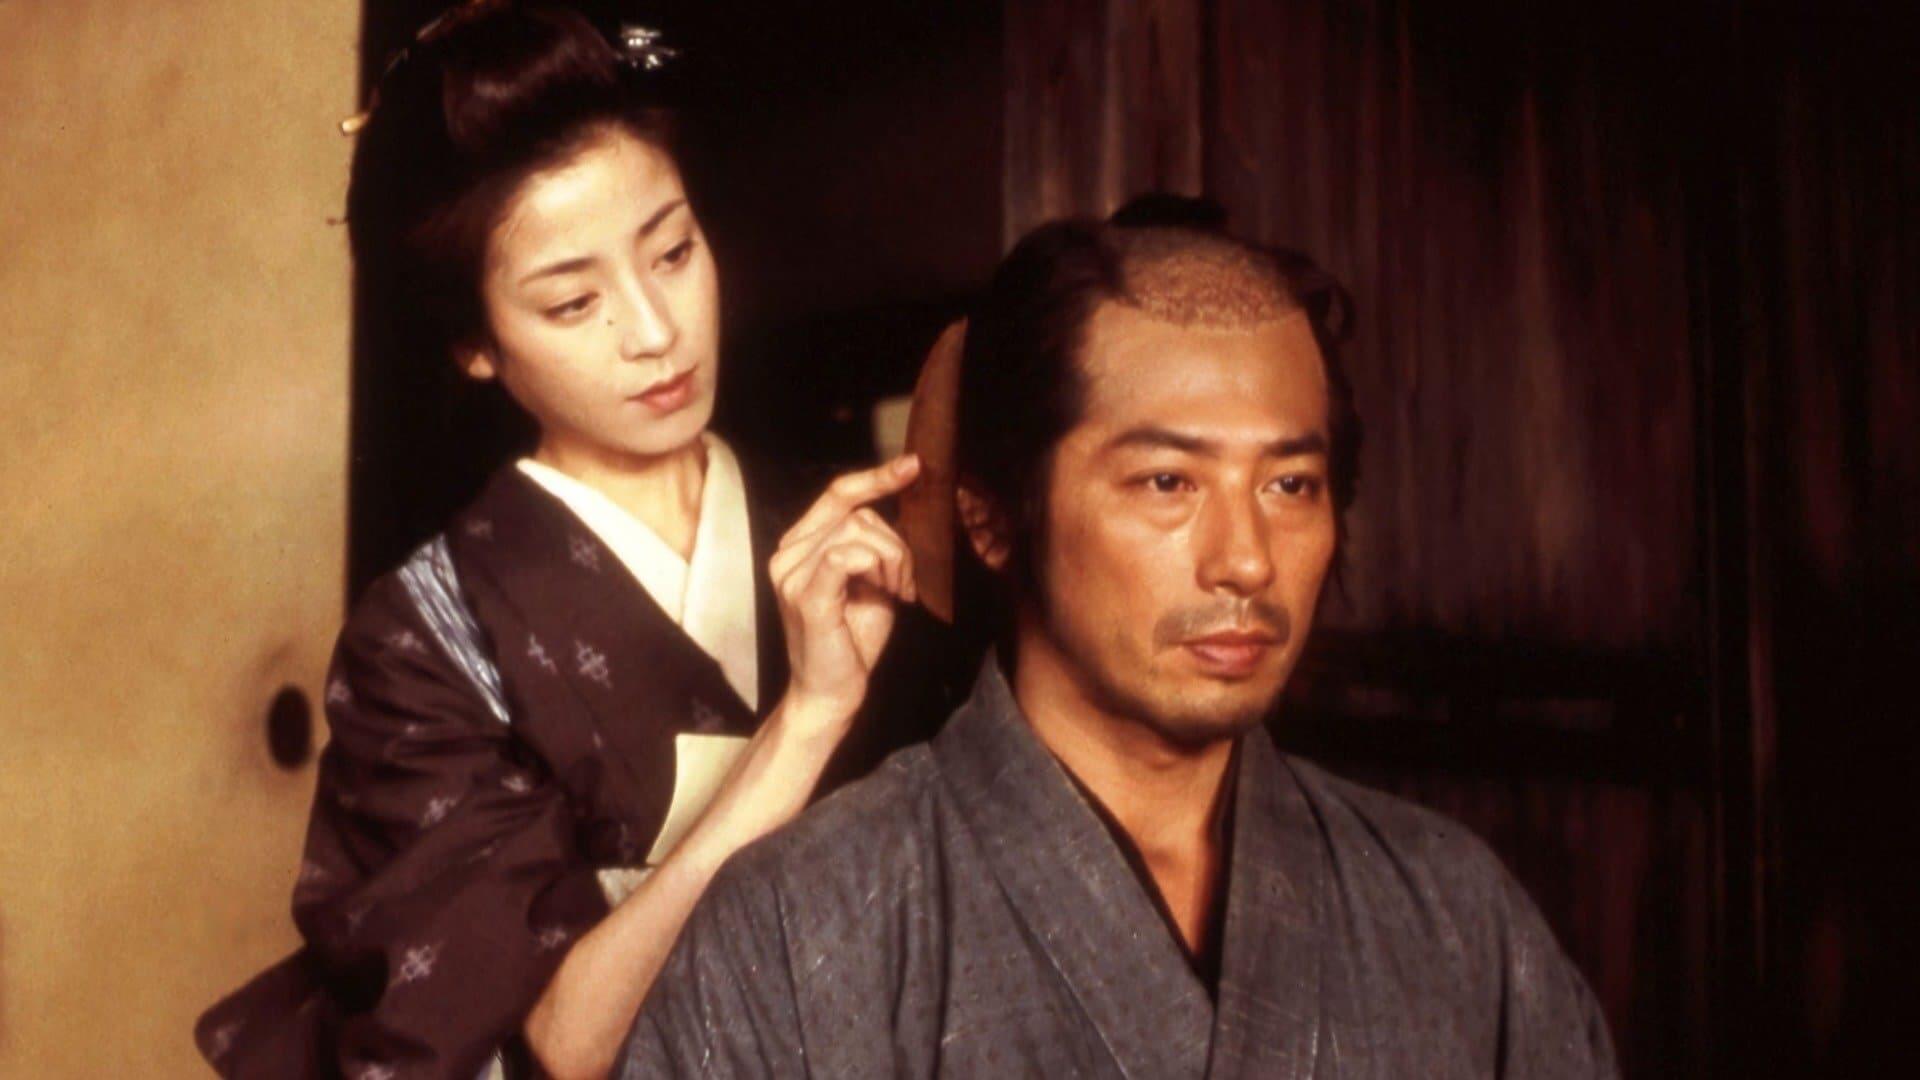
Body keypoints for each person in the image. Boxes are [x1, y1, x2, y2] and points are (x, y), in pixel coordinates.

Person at [621, 205, 1620, 1077]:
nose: (1246, 562)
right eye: (1167, 483)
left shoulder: (1452, 909)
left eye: (1290, 485)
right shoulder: (804, 922)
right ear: (993, 519)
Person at [195, 4, 953, 1077]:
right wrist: (809, 721)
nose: (654, 331)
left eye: (673, 252)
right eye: (571, 302)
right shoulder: (427, 641)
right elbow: (559, 1040)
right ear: (475, 345)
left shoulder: (846, 535)